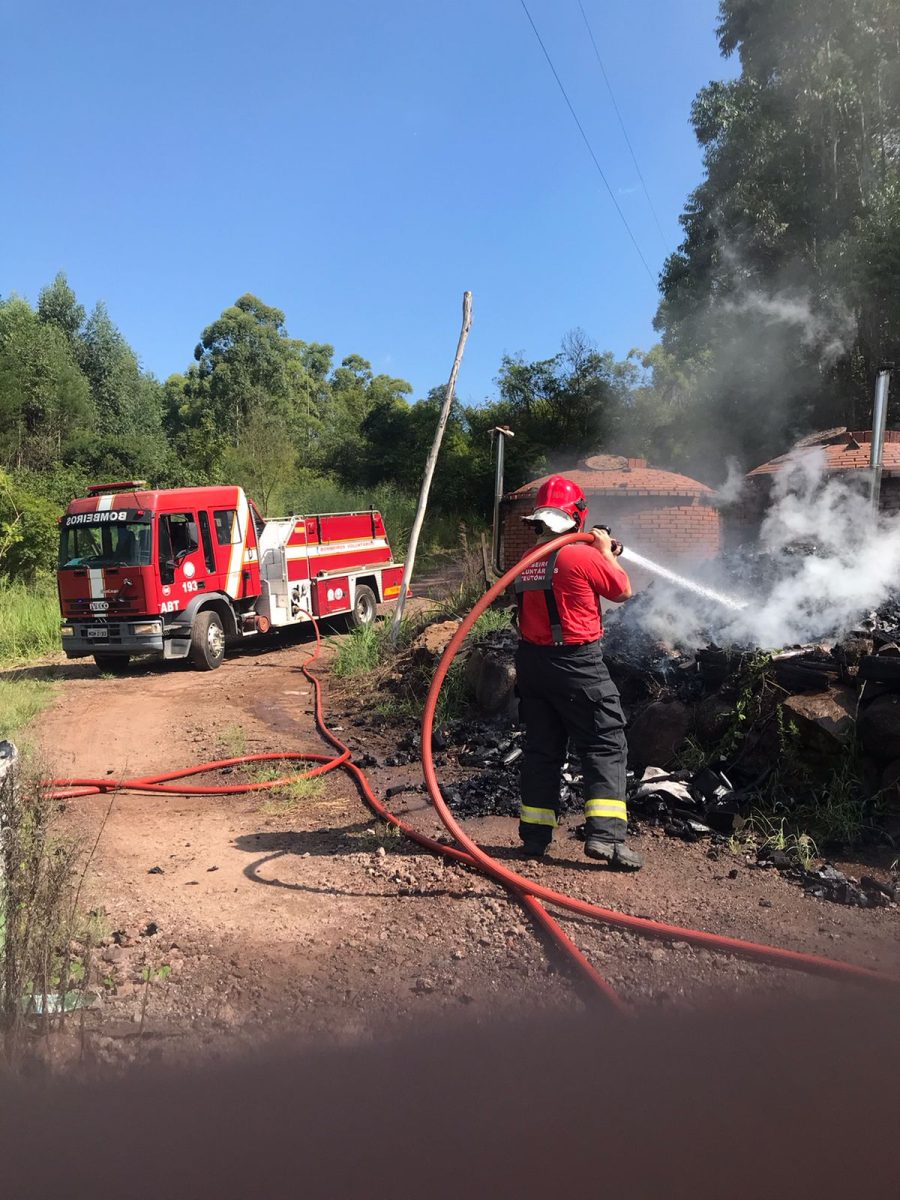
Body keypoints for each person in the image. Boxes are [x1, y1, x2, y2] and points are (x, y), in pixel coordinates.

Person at [514, 475, 642, 870]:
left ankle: (535, 838)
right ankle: (605, 837)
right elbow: (622, 590)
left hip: (532, 666)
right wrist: (607, 552)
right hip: (577, 664)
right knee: (605, 742)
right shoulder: (582, 556)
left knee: (542, 750)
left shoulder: (525, 561)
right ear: (577, 516)